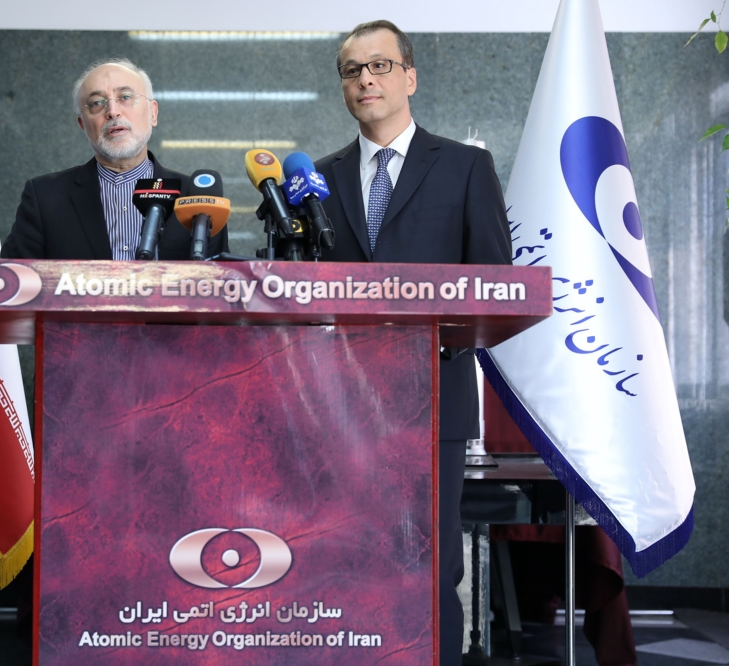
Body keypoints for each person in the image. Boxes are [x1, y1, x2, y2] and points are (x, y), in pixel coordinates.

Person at [316, 20, 512, 666]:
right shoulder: (318, 180)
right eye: (352, 71)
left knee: (429, 564)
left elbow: (494, 286)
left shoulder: (464, 167)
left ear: (409, 76)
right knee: (343, 559)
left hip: (434, 401)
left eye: (378, 66)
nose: (365, 80)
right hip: (335, 408)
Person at [1, 58, 227, 260]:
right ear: (83, 124)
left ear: (153, 113)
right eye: (97, 103)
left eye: (125, 97)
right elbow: (14, 284)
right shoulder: (44, 197)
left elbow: (222, 289)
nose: (113, 111)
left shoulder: (198, 198)